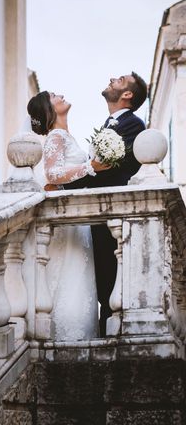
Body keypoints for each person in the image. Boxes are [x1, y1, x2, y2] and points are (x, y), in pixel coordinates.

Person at [64, 73, 147, 336]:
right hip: (97, 210)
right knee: (101, 273)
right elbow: (96, 167)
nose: (112, 79)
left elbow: (108, 167)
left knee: (110, 273)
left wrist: (68, 181)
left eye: (120, 79)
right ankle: (104, 327)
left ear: (128, 95)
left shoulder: (134, 125)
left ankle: (111, 331)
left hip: (113, 211)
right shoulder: (108, 124)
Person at [28, 91, 110, 340]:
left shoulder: (65, 136)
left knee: (78, 277)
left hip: (78, 220)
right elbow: (52, 174)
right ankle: (64, 335)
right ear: (48, 109)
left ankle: (79, 333)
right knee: (69, 274)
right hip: (68, 224)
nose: (61, 95)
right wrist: (90, 167)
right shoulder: (56, 135)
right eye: (54, 96)